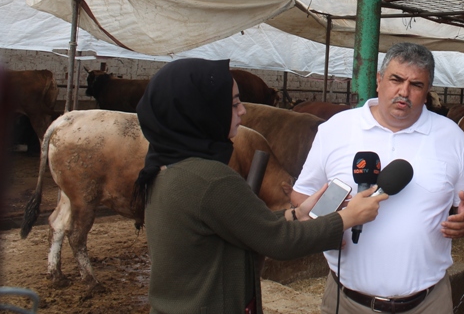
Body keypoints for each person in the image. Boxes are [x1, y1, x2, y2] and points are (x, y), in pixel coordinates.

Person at [132, 58, 386, 314]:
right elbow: (279, 242)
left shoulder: (163, 165)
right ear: (201, 111)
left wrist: (295, 213)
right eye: (233, 104)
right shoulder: (210, 179)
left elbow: (241, 224)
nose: (243, 111)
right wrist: (346, 218)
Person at [291, 42, 464, 314]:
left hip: (428, 303)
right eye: (396, 79)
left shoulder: (451, 136)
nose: (403, 92)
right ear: (379, 80)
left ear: (427, 91)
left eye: (416, 85)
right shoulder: (336, 129)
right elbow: (302, 195)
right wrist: (327, 223)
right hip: (347, 302)